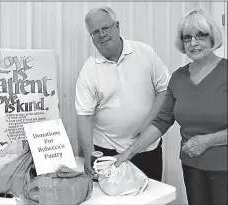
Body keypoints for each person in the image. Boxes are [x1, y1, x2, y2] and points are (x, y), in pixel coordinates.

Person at [115, 8, 227, 205]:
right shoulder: (178, 77)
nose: (193, 43)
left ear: (212, 38)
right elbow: (162, 120)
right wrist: (129, 153)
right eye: (187, 38)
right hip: (192, 167)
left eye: (200, 35)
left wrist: (208, 140)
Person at [75, 6, 170, 181]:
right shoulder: (89, 70)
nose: (102, 34)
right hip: (107, 151)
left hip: (146, 147)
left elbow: (164, 89)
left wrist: (148, 124)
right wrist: (89, 152)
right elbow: (84, 115)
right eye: (95, 32)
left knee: (151, 197)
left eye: (105, 28)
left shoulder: (145, 52)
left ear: (117, 26)